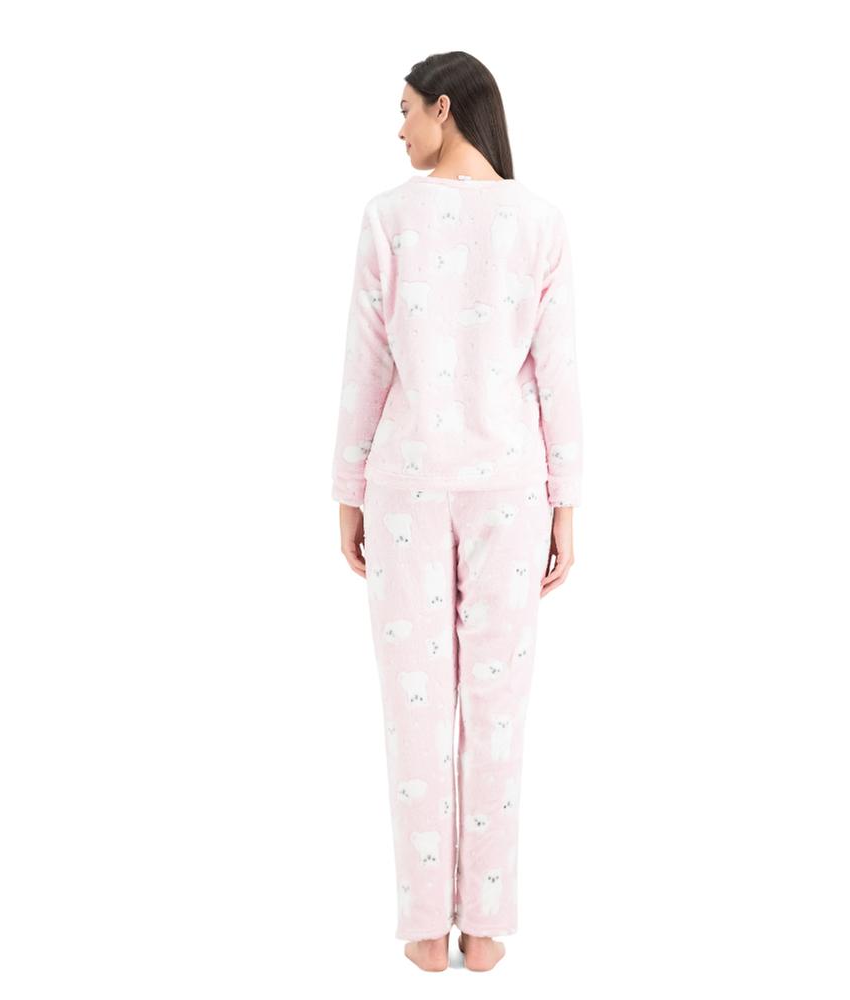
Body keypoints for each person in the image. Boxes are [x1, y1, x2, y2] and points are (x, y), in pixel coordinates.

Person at [330, 51, 583, 973]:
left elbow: (366, 365)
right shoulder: (539, 223)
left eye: (405, 110)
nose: (398, 128)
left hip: (404, 482)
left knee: (415, 707)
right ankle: (483, 927)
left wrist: (349, 490)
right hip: (510, 490)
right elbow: (556, 376)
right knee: (496, 707)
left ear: (445, 107)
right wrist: (565, 504)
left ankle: (423, 931)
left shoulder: (389, 218)